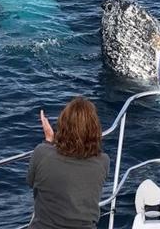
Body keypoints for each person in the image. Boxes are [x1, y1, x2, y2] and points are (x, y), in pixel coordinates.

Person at [27, 96, 110, 229]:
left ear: (62, 125)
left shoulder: (42, 153)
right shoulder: (103, 161)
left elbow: (31, 182)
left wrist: (49, 141)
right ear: (95, 129)